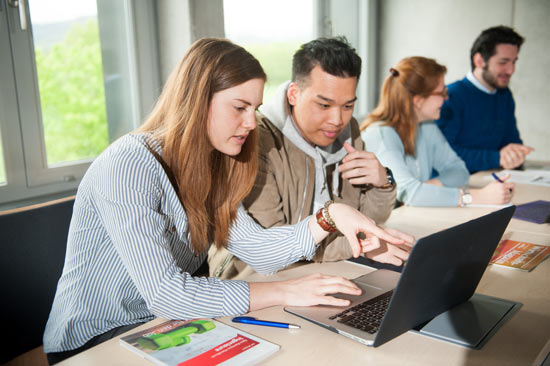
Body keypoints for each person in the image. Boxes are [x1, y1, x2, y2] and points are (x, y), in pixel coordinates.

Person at [43, 38, 412, 364]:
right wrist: (284, 290)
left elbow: (259, 250)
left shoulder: (213, 165)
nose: (252, 122)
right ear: (197, 102)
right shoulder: (129, 164)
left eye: (255, 108)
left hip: (165, 325)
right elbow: (167, 293)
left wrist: (330, 216)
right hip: (96, 338)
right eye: (239, 108)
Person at [208, 37, 407, 280]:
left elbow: (367, 221)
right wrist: (360, 243)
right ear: (294, 94)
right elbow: (277, 245)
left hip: (332, 270)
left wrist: (383, 182)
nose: (337, 119)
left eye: (348, 106)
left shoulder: (348, 131)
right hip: (261, 280)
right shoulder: (255, 139)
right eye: (324, 105)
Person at [360, 56, 514, 207]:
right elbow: (408, 194)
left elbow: (460, 170)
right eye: (441, 93)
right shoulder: (382, 135)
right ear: (418, 100)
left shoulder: (426, 126)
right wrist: (476, 197)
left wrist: (427, 187)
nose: (446, 99)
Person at [436, 25, 533, 173]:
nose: (511, 70)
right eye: (503, 62)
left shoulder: (504, 95)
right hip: (457, 185)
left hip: (494, 178)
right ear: (479, 61)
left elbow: (511, 141)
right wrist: (497, 158)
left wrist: (516, 154)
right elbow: (442, 155)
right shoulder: (451, 96)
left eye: (514, 62)